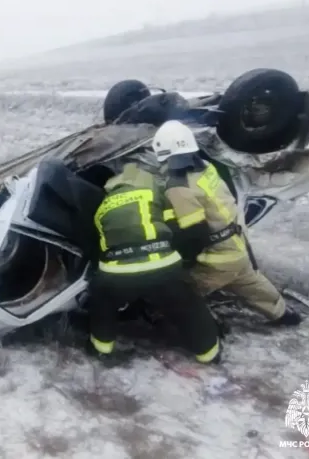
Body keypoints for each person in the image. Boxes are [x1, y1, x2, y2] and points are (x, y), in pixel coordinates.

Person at [152, 120, 302, 326]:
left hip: (215, 260)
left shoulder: (178, 186)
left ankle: (210, 331)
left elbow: (195, 232)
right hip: (237, 247)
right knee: (251, 284)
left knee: (180, 294)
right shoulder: (206, 167)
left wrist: (180, 262)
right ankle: (284, 314)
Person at [88, 146, 222, 366]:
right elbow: (175, 229)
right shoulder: (154, 193)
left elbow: (102, 246)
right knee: (190, 307)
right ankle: (209, 353)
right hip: (162, 268)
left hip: (116, 273)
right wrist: (183, 261)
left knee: (103, 304)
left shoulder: (103, 207)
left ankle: (102, 349)